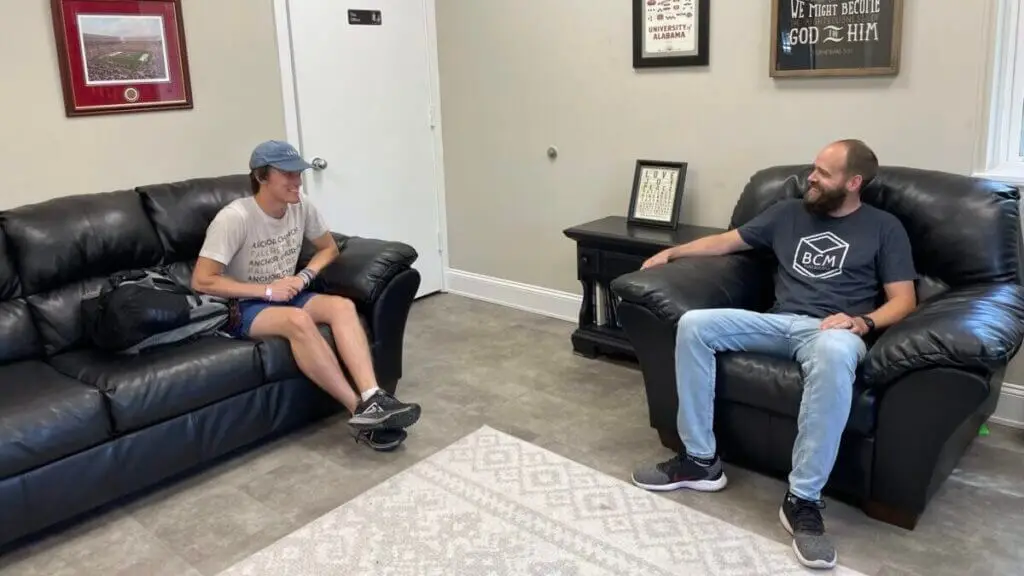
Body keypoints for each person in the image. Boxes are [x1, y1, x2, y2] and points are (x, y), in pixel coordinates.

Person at [630, 140, 917, 570]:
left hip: (831, 331)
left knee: (837, 353)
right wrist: (674, 251)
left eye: (823, 172)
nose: (811, 178)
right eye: (813, 168)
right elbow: (727, 243)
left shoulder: (884, 228)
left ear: (853, 182)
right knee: (694, 325)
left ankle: (803, 499)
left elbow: (904, 300)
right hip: (777, 321)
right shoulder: (788, 213)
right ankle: (700, 461)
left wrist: (863, 323)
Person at [191, 140, 421, 451]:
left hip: (287, 293)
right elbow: (202, 281)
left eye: (298, 174)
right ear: (261, 177)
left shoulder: (301, 205)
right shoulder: (235, 218)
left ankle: (373, 396)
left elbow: (329, 248)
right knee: (297, 321)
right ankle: (360, 412)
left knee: (341, 306)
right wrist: (268, 290)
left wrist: (305, 276)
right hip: (242, 305)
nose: (297, 182)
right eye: (287, 175)